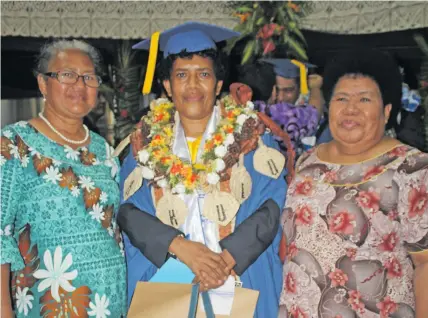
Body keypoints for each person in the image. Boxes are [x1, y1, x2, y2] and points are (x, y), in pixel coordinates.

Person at [117, 21, 289, 317]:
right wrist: (180, 247)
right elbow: (130, 213)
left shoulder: (252, 137)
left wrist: (224, 260)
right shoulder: (143, 143)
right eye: (182, 75)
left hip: (237, 278)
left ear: (218, 84)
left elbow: (273, 207)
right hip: (170, 281)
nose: (193, 85)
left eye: (204, 74)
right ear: (168, 86)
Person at [279, 49, 428, 317]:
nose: (350, 108)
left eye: (364, 99)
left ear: (386, 111)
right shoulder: (308, 161)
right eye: (341, 98)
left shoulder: (413, 167)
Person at [0, 40, 127, 317]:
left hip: (110, 303)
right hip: (48, 303)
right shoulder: (15, 144)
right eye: (67, 75)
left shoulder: (104, 151)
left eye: (88, 77)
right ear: (43, 84)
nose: (79, 85)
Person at [237, 59, 323, 157]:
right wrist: (316, 87)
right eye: (277, 89)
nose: (281, 98)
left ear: (300, 89)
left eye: (288, 90)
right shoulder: (286, 116)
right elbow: (314, 112)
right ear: (272, 89)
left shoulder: (237, 108)